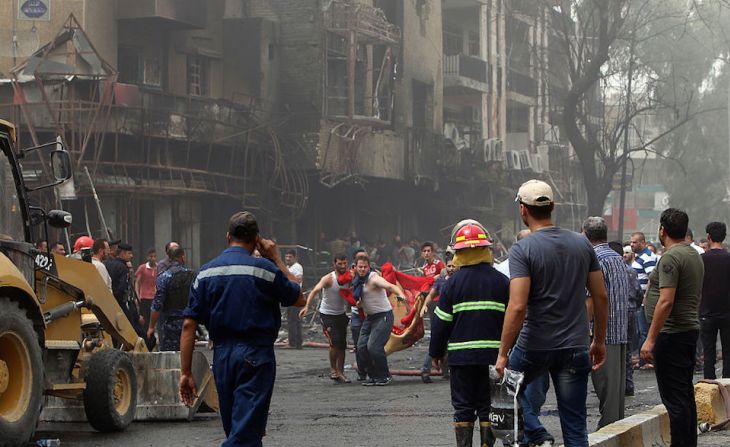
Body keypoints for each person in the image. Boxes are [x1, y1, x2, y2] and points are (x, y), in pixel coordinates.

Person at [495, 179, 608, 447]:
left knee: (504, 392)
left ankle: (535, 433)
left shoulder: (523, 249)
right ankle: (538, 433)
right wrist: (599, 340)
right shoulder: (582, 245)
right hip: (575, 345)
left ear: (523, 210)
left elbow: (518, 305)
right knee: (575, 426)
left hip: (534, 344)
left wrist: (502, 353)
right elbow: (600, 296)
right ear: (552, 206)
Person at [179, 211, 304, 446]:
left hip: (223, 357)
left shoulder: (206, 272)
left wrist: (185, 372)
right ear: (257, 239)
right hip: (256, 356)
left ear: (228, 237)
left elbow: (188, 325)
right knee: (244, 435)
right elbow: (299, 299)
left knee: (241, 429)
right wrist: (275, 258)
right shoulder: (265, 270)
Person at [429, 220, 508, 447]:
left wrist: (436, 352)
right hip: (493, 358)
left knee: (463, 407)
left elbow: (441, 323)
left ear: (459, 253)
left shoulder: (452, 284)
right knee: (487, 406)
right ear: (486, 249)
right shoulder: (502, 282)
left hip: (461, 359)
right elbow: (512, 321)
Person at [640, 208, 704, 447]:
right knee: (684, 396)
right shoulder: (694, 254)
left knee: (675, 401)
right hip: (687, 331)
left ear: (662, 230)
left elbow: (666, 300)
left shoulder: (670, 257)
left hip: (672, 334)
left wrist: (650, 339)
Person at [583, 218, 629, 429]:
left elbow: (592, 299)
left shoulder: (594, 258)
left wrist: (585, 331)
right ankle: (616, 431)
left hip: (603, 334)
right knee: (616, 393)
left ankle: (608, 432)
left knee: (605, 389)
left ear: (585, 234)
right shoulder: (616, 257)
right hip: (619, 330)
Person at [353, 253, 405, 386]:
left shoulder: (374, 278)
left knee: (374, 347)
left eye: (365, 267)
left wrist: (400, 294)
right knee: (361, 348)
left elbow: (390, 286)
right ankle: (373, 376)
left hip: (383, 316)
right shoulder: (357, 280)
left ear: (369, 267)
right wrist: (359, 304)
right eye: (360, 267)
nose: (362, 269)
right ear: (355, 267)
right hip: (370, 318)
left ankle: (384, 375)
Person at [300, 253, 351, 383]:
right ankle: (333, 370)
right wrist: (306, 306)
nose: (343, 266)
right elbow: (315, 290)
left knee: (342, 344)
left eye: (345, 263)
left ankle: (341, 372)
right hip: (327, 314)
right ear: (334, 264)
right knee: (334, 342)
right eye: (340, 263)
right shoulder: (328, 278)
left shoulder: (350, 277)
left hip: (341, 314)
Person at [420, 252, 456, 383]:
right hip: (442, 316)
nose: (451, 268)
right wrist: (424, 306)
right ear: (445, 267)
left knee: (451, 345)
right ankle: (425, 371)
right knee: (436, 343)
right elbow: (431, 295)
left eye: (454, 266)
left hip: (456, 317)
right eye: (449, 266)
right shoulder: (440, 281)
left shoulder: (460, 280)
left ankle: (447, 372)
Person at [147, 247, 193, 351]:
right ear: (182, 257)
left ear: (170, 259)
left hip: (170, 325)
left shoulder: (164, 277)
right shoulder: (193, 276)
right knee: (188, 355)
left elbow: (157, 305)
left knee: (170, 356)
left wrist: (151, 327)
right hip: (189, 322)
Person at [700, 221, 730, 379]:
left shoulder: (701, 259)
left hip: (706, 311)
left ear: (708, 237)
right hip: (728, 313)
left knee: (709, 353)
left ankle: (709, 388)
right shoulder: (728, 258)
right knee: (728, 354)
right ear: (724, 237)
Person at [630, 231, 658, 368]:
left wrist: (646, 297)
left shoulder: (647, 257)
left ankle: (646, 361)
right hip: (639, 300)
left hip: (644, 301)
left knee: (644, 332)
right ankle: (643, 360)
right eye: (631, 242)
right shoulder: (639, 257)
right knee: (641, 331)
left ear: (642, 242)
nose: (631, 244)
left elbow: (652, 278)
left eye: (634, 242)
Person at [622, 245, 643, 396]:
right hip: (631, 310)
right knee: (628, 349)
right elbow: (638, 292)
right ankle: (628, 383)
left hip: (617, 312)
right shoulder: (631, 271)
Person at [284, 249, 304, 349]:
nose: (288, 259)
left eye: (290, 257)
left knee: (293, 320)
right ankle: (295, 343)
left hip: (295, 296)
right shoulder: (288, 267)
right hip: (289, 296)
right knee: (292, 320)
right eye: (286, 257)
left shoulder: (297, 267)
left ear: (294, 257)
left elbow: (299, 279)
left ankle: (294, 343)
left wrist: (287, 279)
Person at [135, 248, 158, 326]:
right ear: (147, 257)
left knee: (154, 319)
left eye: (154, 256)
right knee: (145, 319)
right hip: (144, 297)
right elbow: (137, 282)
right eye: (151, 256)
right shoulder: (143, 268)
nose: (153, 258)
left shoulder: (158, 268)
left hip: (155, 297)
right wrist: (137, 295)